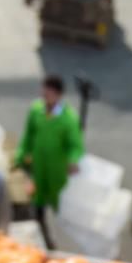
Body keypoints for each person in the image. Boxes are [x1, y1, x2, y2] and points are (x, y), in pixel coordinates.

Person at [14, 74, 85, 248]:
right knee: (38, 197)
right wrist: (22, 155)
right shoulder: (36, 110)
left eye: (50, 94)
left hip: (57, 170)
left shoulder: (68, 119)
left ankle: (57, 238)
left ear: (59, 95)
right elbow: (28, 135)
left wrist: (73, 160)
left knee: (57, 202)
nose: (46, 97)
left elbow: (76, 145)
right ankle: (40, 223)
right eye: (44, 93)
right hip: (39, 166)